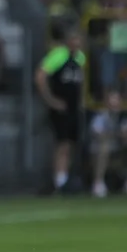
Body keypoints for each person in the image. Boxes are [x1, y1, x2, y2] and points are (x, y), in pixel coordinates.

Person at [35, 27, 86, 194]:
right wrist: (51, 100)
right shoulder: (59, 55)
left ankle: (64, 178)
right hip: (61, 107)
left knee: (71, 144)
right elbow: (41, 76)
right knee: (62, 144)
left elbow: (82, 82)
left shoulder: (80, 58)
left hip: (74, 107)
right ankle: (59, 181)